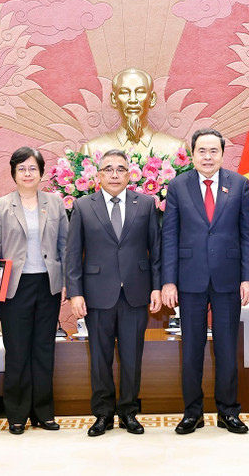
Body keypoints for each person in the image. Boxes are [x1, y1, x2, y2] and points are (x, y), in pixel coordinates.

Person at [161, 128, 249, 435]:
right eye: (202, 151)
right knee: (191, 348)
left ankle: (229, 412)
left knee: (227, 348)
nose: (207, 156)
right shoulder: (177, 185)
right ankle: (193, 412)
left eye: (213, 151)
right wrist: (169, 282)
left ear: (223, 154)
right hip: (189, 279)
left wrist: (248, 277)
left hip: (229, 278)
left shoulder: (239, 184)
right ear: (192, 154)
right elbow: (170, 237)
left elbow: (247, 234)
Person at [65, 149, 162, 437]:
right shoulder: (83, 206)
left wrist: (157, 286)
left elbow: (155, 250)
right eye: (109, 169)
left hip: (136, 292)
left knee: (132, 357)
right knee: (100, 357)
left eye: (121, 169)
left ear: (130, 173)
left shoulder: (145, 203)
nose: (115, 174)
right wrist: (75, 293)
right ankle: (103, 414)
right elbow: (73, 253)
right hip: (96, 294)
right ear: (98, 175)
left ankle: (129, 412)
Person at [0, 147, 68, 435]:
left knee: (44, 350)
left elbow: (64, 245)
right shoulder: (2, 205)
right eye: (22, 168)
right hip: (13, 287)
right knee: (17, 351)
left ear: (41, 172)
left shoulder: (55, 203)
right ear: (13, 173)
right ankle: (17, 414)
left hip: (47, 285)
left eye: (32, 168)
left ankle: (43, 413)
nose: (27, 173)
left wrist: (67, 281)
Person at [80, 67, 187, 157]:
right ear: (113, 99)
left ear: (152, 98)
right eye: (124, 92)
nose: (132, 100)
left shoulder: (176, 149)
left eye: (140, 92)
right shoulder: (91, 150)